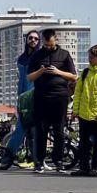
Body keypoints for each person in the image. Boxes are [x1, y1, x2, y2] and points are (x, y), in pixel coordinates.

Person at [27, 28, 77, 173]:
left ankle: (58, 161)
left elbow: (74, 76)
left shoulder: (64, 54)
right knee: (41, 131)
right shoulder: (37, 55)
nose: (48, 47)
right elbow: (29, 77)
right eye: (46, 44)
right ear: (42, 41)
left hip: (60, 96)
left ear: (56, 39)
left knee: (59, 131)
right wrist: (40, 71)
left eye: (51, 44)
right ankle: (39, 162)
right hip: (41, 97)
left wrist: (57, 72)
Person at [71, 44, 97, 177]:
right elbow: (78, 92)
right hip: (84, 114)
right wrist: (75, 110)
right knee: (83, 143)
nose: (89, 59)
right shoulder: (85, 72)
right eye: (89, 56)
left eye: (92, 57)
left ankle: (95, 167)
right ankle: (84, 167)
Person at [6, 30, 41, 165]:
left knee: (35, 131)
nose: (33, 40)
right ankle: (7, 158)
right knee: (20, 130)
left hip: (35, 98)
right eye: (30, 38)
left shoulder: (40, 57)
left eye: (36, 39)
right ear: (26, 40)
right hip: (22, 99)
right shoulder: (21, 58)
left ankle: (38, 161)